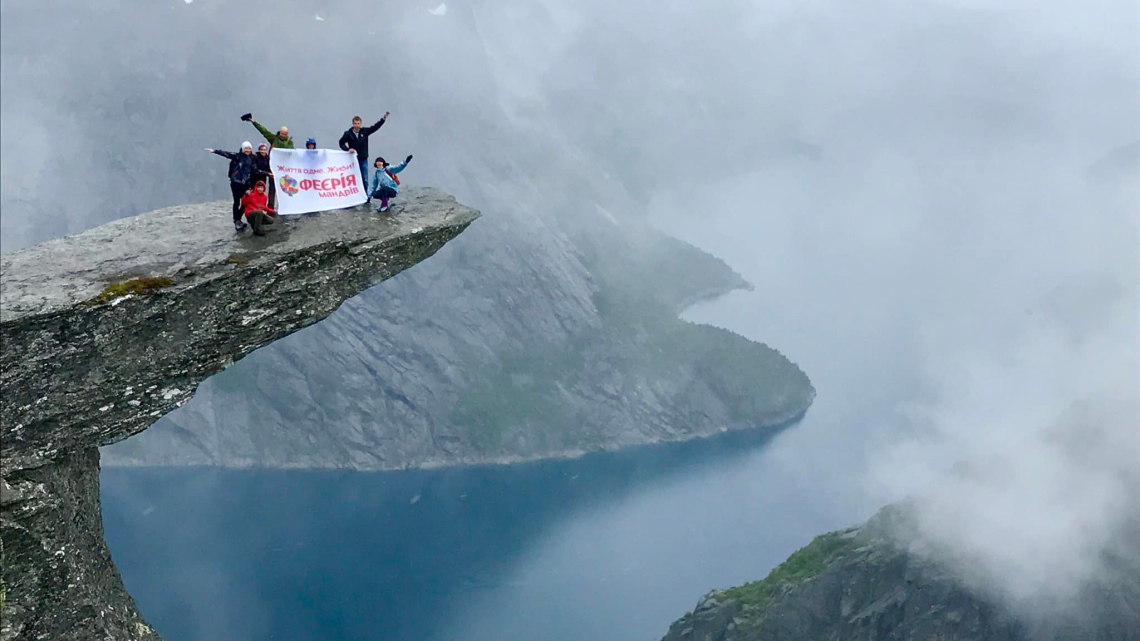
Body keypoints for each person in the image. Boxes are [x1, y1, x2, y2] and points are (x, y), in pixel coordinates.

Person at [205, 141, 256, 230]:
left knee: (245, 201)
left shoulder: (251, 158)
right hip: (236, 182)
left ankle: (239, 219)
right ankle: (236, 220)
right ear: (242, 149)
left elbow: (253, 171)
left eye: (249, 149)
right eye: (246, 148)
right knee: (237, 202)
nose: (248, 150)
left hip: (245, 183)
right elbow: (227, 154)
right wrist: (215, 151)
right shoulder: (237, 156)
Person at [339, 113, 388, 199]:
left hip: (363, 159)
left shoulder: (364, 131)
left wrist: (383, 119)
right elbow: (341, 143)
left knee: (365, 179)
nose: (357, 125)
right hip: (353, 160)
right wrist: (347, 149)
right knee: (352, 179)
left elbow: (375, 127)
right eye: (355, 123)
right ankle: (353, 196)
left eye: (358, 123)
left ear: (360, 124)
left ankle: (366, 196)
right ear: (353, 124)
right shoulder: (348, 134)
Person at [252, 142, 276, 209]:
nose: (263, 151)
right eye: (261, 149)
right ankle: (254, 208)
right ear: (259, 150)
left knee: (261, 193)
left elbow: (269, 168)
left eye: (264, 149)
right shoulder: (255, 157)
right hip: (254, 178)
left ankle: (262, 208)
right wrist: (267, 173)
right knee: (254, 194)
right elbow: (255, 170)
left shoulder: (267, 158)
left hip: (263, 179)